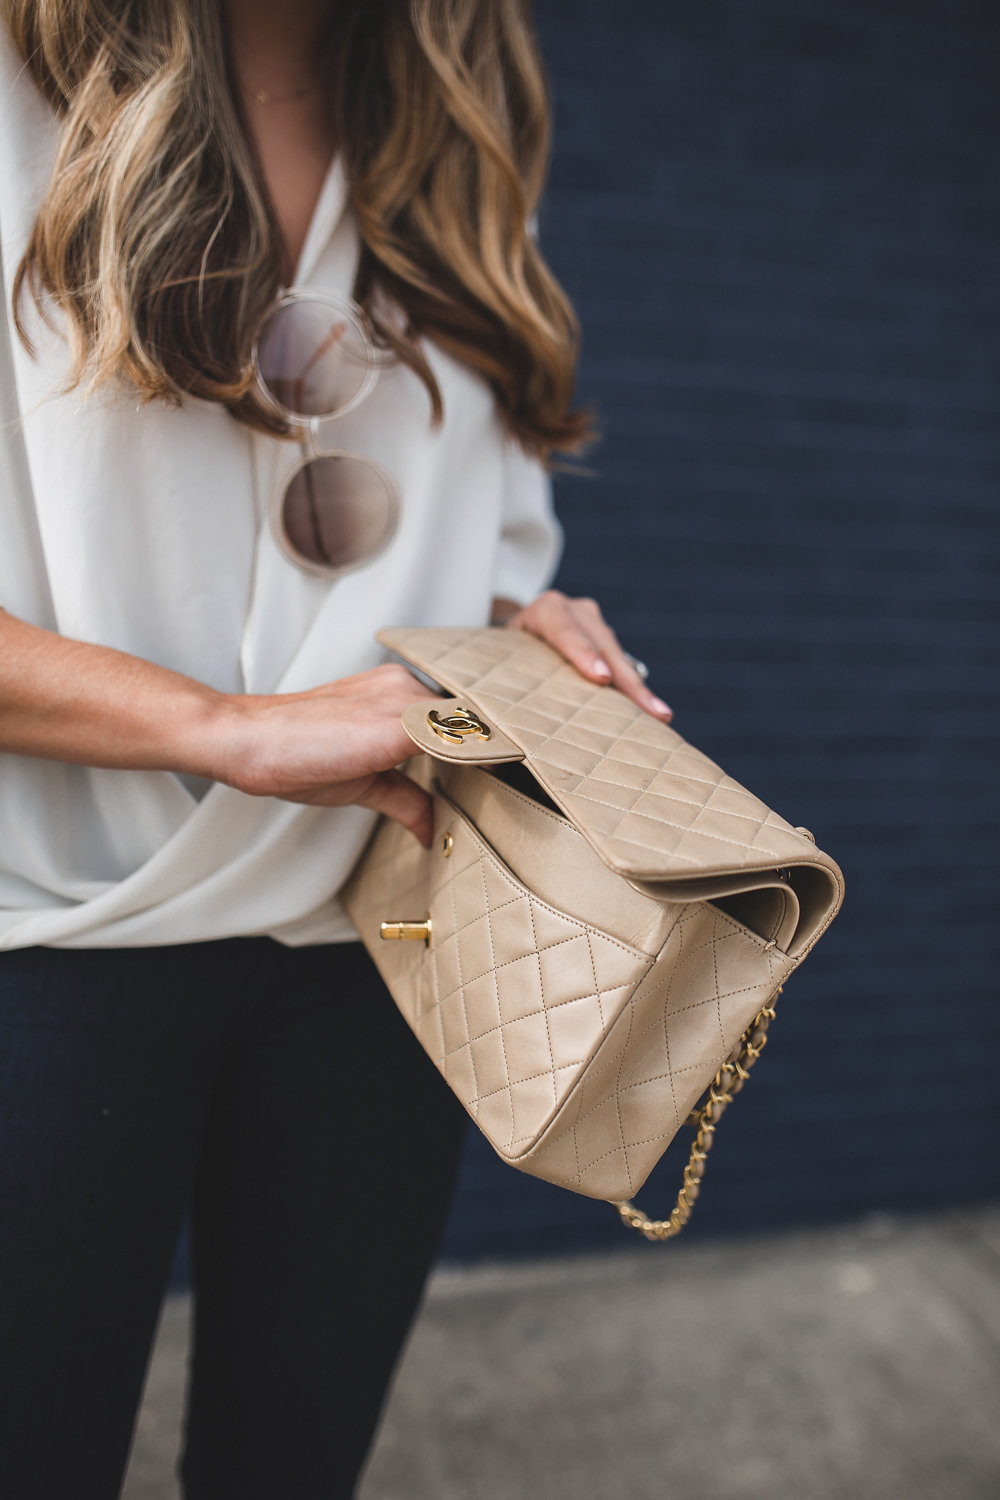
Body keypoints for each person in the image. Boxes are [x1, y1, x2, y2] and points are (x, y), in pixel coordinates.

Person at [0, 2, 673, 1496]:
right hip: (43, 933)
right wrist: (218, 729)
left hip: (388, 931)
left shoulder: (456, 162)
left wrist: (531, 642)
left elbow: (489, 547)